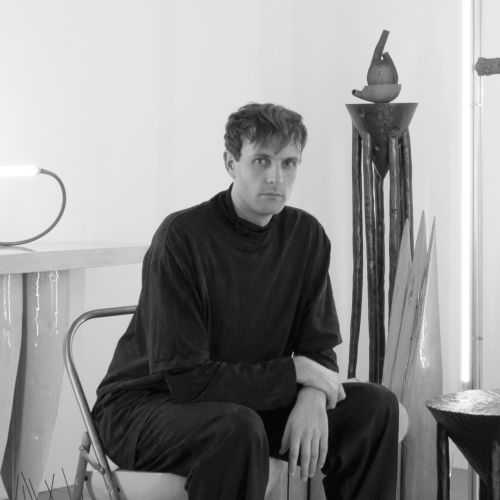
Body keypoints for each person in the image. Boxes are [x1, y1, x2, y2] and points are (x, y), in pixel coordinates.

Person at [93, 103, 399, 500]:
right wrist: (294, 372)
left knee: (376, 407)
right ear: (231, 162)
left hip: (246, 402)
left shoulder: (305, 236)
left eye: (289, 163)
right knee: (237, 428)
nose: (276, 177)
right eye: (261, 160)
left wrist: (312, 396)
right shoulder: (182, 237)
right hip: (147, 406)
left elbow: (318, 349)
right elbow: (187, 381)